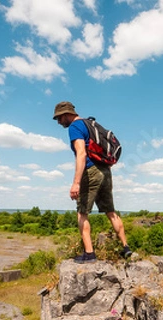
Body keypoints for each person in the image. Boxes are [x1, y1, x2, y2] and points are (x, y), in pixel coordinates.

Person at [53, 101, 132, 263]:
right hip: (105, 170)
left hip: (91, 171)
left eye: (59, 119)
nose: (59, 122)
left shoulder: (75, 127)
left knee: (82, 212)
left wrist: (76, 183)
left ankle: (89, 254)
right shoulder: (91, 124)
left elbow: (81, 153)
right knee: (111, 211)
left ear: (66, 114)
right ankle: (126, 248)